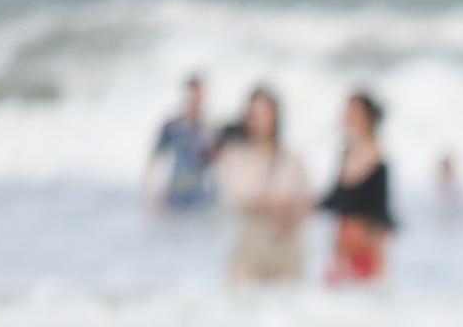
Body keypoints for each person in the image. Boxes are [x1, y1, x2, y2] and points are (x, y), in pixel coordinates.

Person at [216, 87, 310, 283]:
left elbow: (307, 201)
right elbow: (237, 197)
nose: (256, 119)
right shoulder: (235, 156)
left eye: (262, 113)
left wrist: (287, 212)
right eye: (252, 114)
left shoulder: (292, 158)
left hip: (287, 245)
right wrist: (281, 205)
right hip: (251, 244)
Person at [320, 92, 394, 283]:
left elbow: (382, 213)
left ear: (367, 117)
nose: (346, 114)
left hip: (366, 242)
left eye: (352, 110)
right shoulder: (345, 153)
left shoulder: (379, 161)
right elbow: (333, 199)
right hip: (342, 240)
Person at [146, 75, 217, 211]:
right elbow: (154, 161)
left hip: (200, 197)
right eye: (193, 97)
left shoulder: (210, 130)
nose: (196, 102)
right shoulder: (171, 127)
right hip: (174, 194)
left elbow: (219, 166)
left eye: (200, 98)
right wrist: (151, 195)